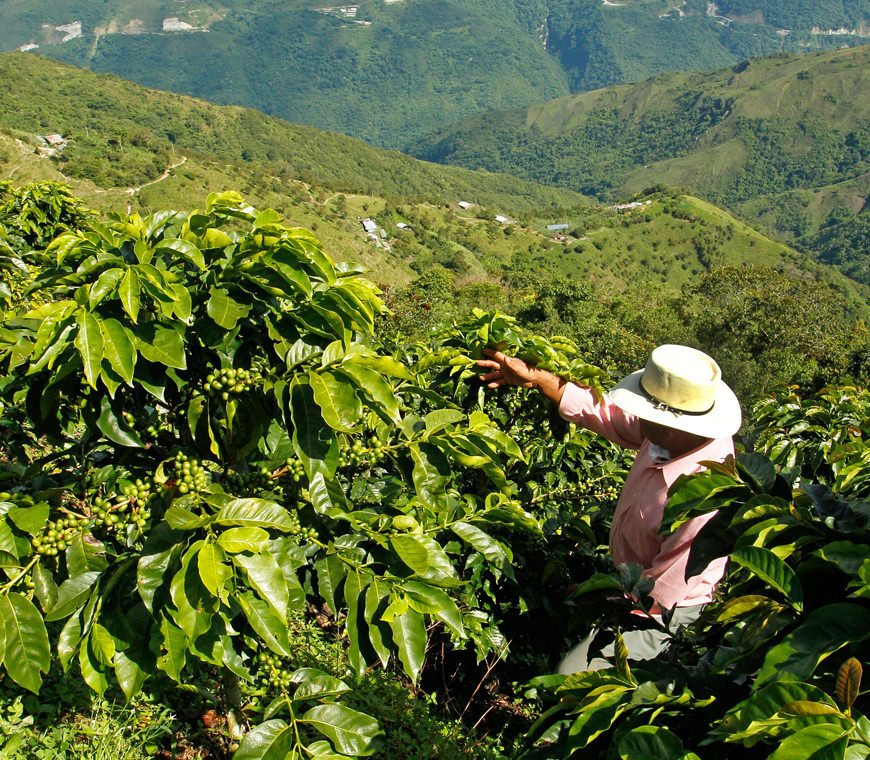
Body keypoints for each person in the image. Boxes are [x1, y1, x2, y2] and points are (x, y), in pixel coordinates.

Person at [476, 343, 742, 673]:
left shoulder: (704, 499)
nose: (637, 417)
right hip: (632, 582)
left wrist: (605, 596)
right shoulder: (671, 435)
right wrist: (535, 378)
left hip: (665, 611)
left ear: (669, 426)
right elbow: (607, 414)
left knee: (571, 678)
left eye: (645, 413)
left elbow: (664, 591)